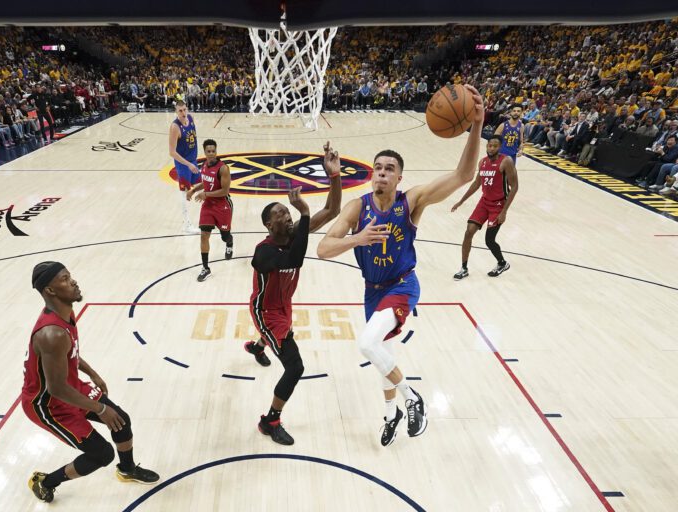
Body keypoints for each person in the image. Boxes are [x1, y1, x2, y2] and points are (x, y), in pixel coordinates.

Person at [317, 85, 485, 446]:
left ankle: (412, 398)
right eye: (377, 168)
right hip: (372, 291)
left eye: (389, 169)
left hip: (402, 286)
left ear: (399, 178)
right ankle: (390, 413)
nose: (381, 173)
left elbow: (463, 176)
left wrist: (476, 126)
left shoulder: (412, 202)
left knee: (366, 344)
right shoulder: (357, 208)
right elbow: (323, 247)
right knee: (383, 354)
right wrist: (356, 239)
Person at [22, 262, 159, 503]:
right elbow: (56, 388)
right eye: (64, 279)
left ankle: (127, 470)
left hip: (70, 387)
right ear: (50, 291)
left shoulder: (65, 312)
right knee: (101, 454)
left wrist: (92, 374)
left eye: (70, 276)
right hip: (48, 406)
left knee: (121, 420)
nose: (73, 282)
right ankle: (45, 482)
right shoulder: (51, 334)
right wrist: (100, 408)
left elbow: (70, 352)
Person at [244, 142, 342, 445]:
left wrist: (334, 177)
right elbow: (295, 259)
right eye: (280, 214)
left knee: (279, 339)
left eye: (288, 212)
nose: (287, 216)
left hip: (283, 305)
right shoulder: (263, 252)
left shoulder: (294, 234)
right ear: (268, 224)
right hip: (266, 313)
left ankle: (258, 347)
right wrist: (304, 214)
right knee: (295, 366)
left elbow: (333, 210)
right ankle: (269, 420)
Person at [450, 134, 519, 279]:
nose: (491, 148)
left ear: (500, 147)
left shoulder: (506, 161)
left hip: (499, 205)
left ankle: (502, 263)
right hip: (484, 202)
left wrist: (504, 211)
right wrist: (461, 201)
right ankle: (463, 268)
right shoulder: (482, 162)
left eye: (495, 146)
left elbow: (514, 187)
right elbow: (477, 183)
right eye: (489, 145)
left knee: (489, 240)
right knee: (469, 232)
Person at [185, 139, 234, 282]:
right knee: (204, 235)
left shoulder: (223, 168)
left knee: (225, 236)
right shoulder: (204, 165)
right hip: (208, 206)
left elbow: (225, 191)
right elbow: (206, 183)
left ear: (216, 151)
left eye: (213, 151)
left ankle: (229, 243)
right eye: (208, 151)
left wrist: (206, 194)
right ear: (205, 152)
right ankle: (206, 268)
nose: (211, 154)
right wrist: (194, 190)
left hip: (223, 205)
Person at [169, 101, 201, 233]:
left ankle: (209, 217)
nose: (183, 113)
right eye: (180, 111)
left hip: (193, 161)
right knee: (185, 195)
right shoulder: (175, 127)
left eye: (184, 110)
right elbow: (171, 152)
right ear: (176, 112)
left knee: (202, 187)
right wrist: (188, 164)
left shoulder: (191, 119)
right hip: (183, 165)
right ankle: (186, 224)